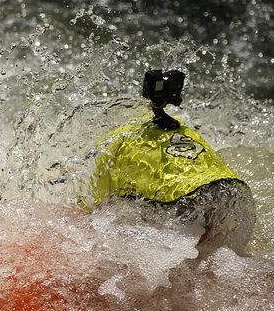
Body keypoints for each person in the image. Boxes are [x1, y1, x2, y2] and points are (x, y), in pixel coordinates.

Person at [82, 70, 255, 255]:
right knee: (221, 258)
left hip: (180, 198)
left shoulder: (116, 141)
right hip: (233, 190)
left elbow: (92, 208)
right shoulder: (184, 130)